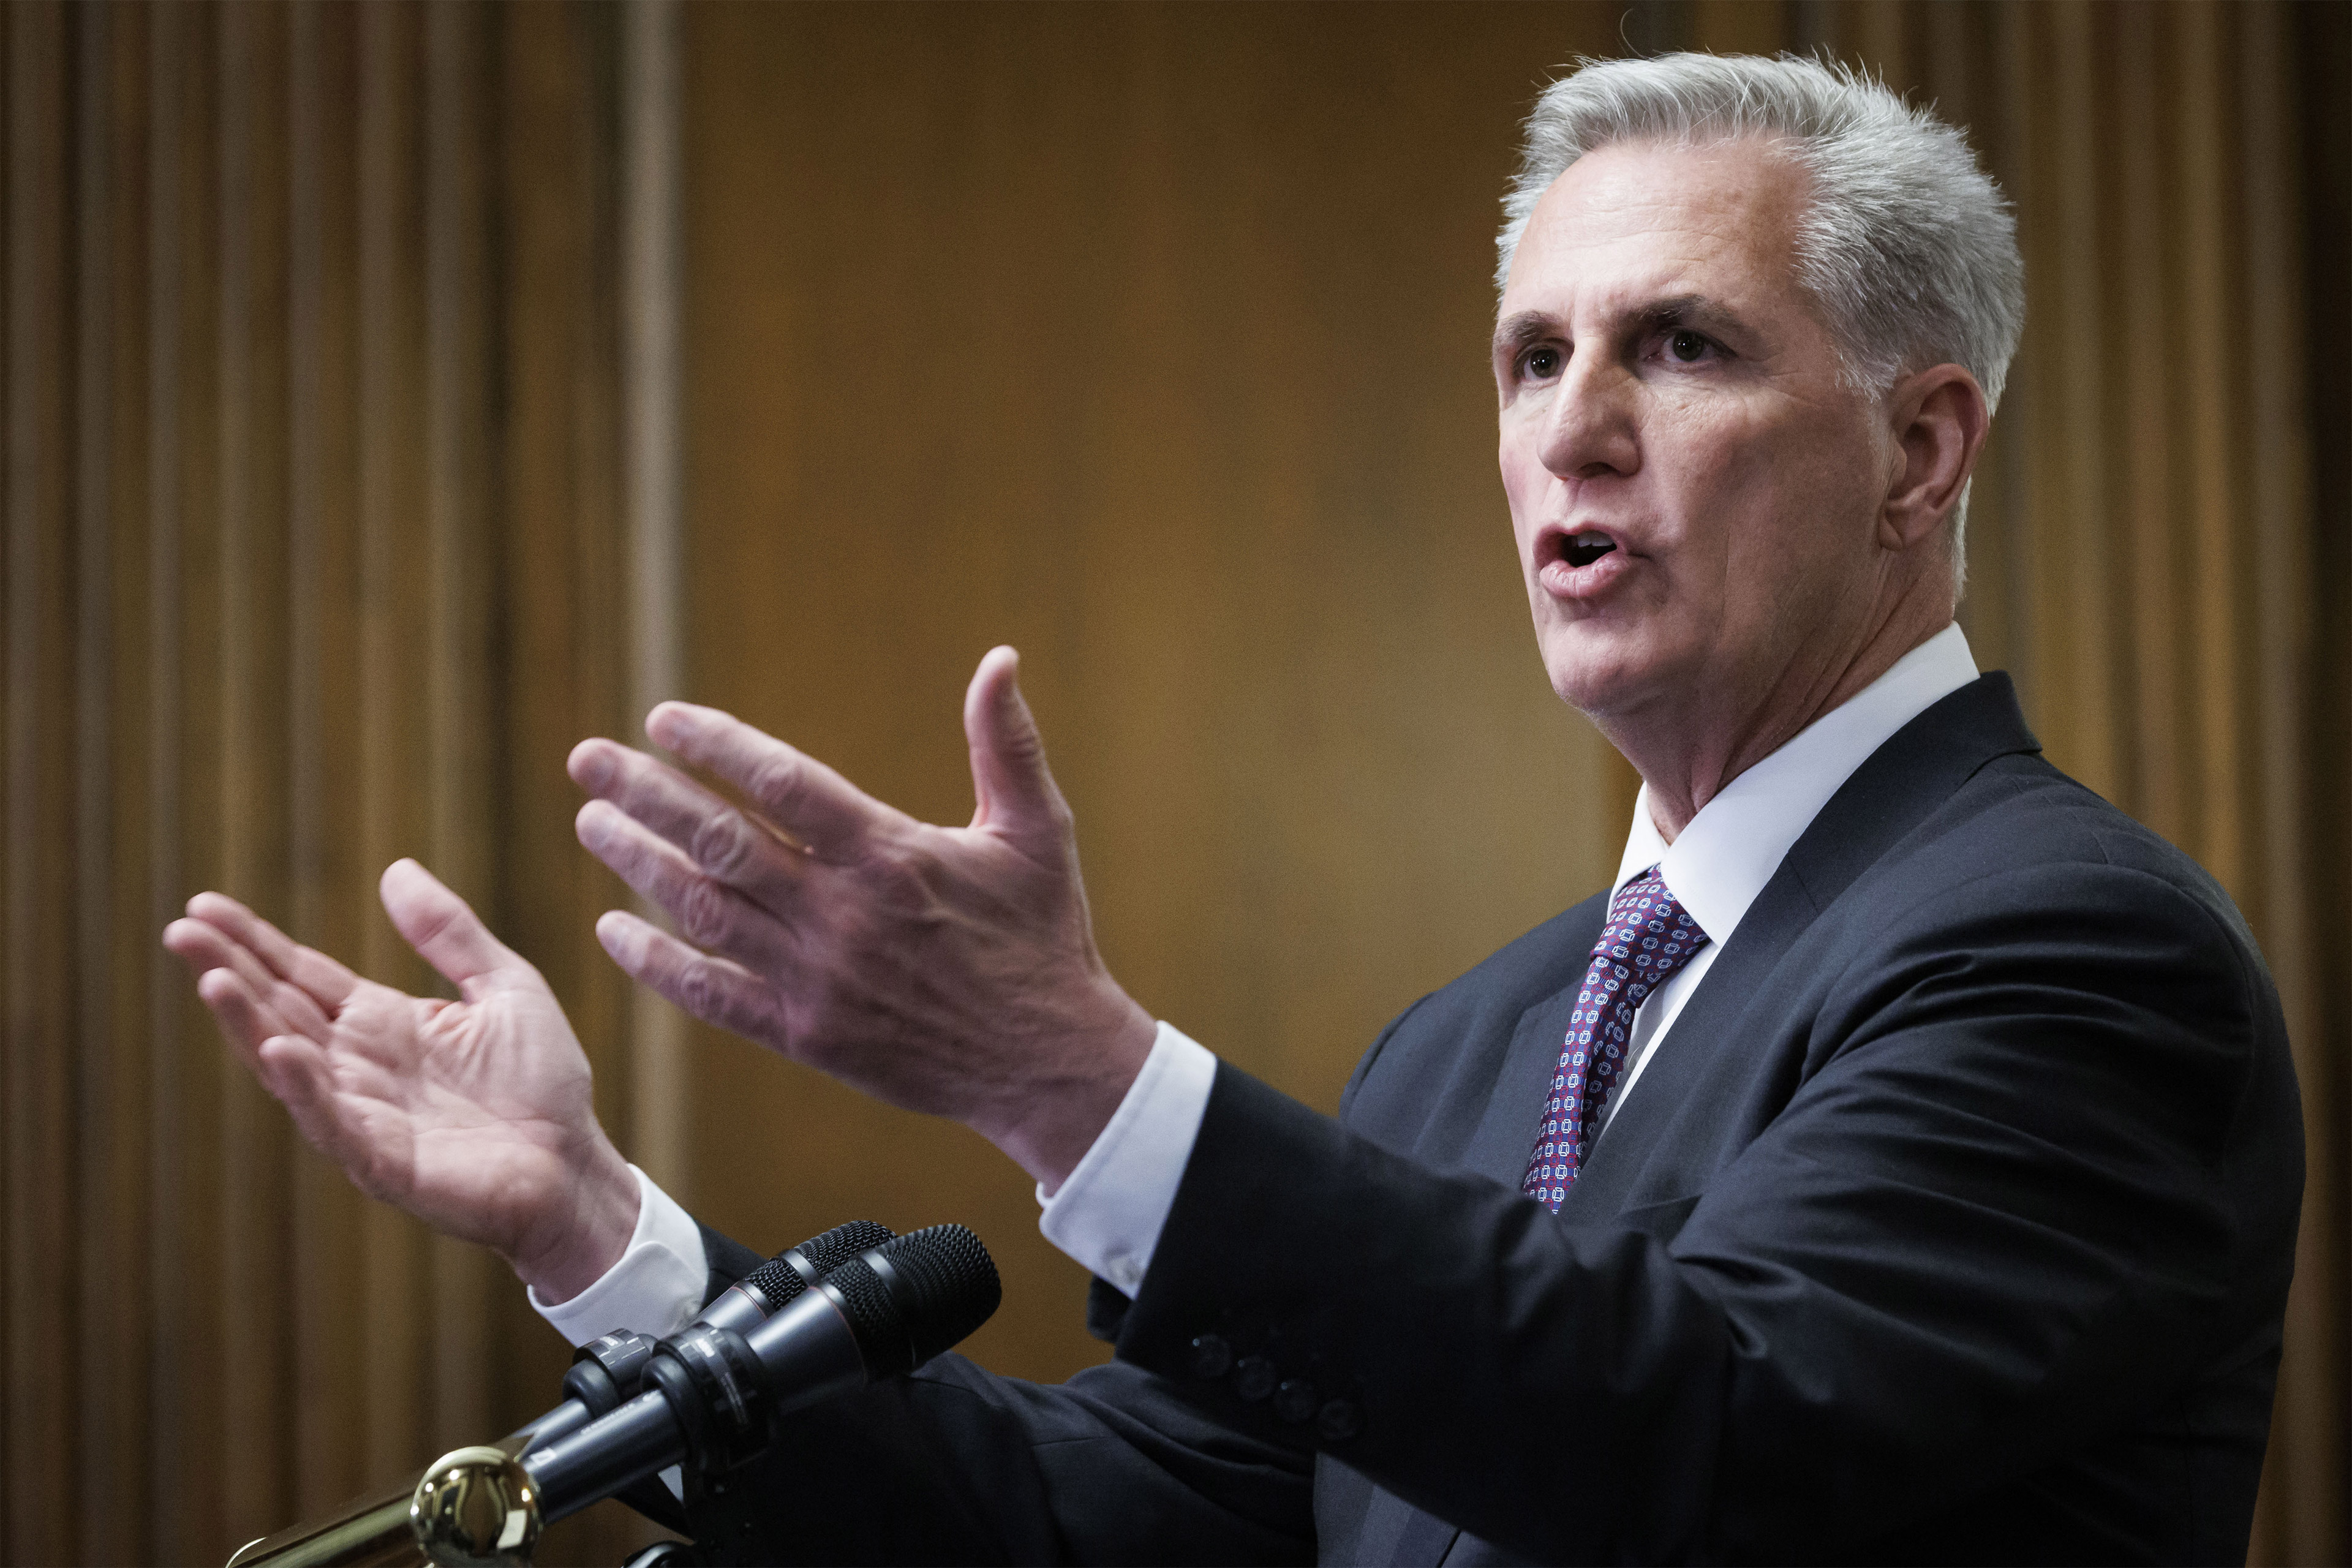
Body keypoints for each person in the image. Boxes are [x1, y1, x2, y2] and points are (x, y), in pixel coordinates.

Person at [166, 53, 2301, 1565]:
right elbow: (1092, 1528)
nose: (1575, 431)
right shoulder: (1480, 1038)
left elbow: (1694, 1437)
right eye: (1529, 357)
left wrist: (1076, 1081)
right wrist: (596, 1232)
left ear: (1925, 454)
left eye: (1679, 347)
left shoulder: (2066, 955)